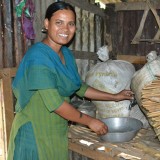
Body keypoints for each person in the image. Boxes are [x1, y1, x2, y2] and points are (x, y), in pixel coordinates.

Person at [7, 1, 134, 160]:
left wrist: (115, 96)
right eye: (59, 23)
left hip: (56, 131)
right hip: (34, 132)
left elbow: (79, 87)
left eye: (71, 24)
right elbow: (55, 104)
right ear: (47, 24)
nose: (65, 29)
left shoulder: (66, 54)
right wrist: (90, 121)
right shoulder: (37, 57)